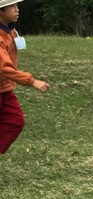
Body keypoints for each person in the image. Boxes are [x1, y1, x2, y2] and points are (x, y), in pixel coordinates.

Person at [0, 0, 48, 155]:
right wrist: (32, 81)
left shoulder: (10, 31)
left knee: (15, 120)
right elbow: (4, 68)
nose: (17, 9)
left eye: (17, 6)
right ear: (1, 11)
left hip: (4, 88)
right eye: (12, 6)